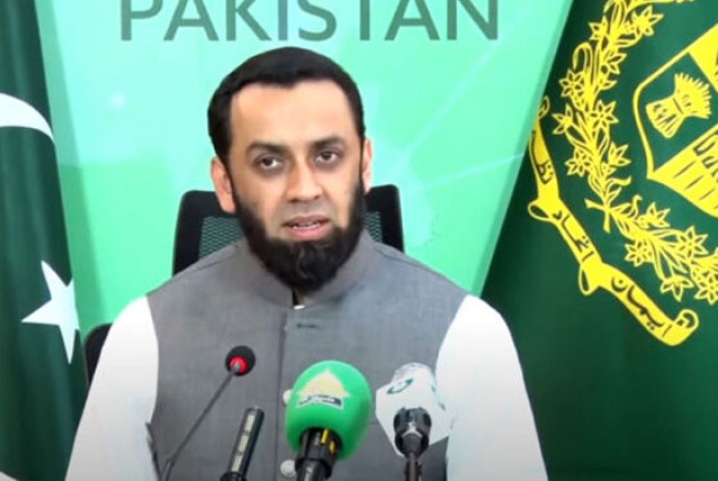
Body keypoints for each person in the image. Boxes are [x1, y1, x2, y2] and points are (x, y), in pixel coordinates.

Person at [66, 46, 547, 480]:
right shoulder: (143, 335)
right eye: (269, 163)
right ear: (226, 183)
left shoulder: (467, 334)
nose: (304, 188)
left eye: (327, 156)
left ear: (364, 165)